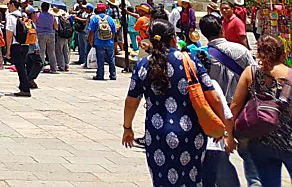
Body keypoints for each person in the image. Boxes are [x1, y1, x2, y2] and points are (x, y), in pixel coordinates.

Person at [123, 19, 224, 187]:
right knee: (192, 178)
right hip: (191, 132)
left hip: (158, 134)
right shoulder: (190, 61)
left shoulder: (144, 64)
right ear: (173, 39)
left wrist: (127, 127)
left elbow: (131, 101)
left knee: (162, 180)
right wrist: (220, 124)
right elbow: (213, 96)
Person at [197, 13, 259, 187]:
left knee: (220, 157)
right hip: (245, 111)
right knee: (251, 158)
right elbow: (256, 77)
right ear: (221, 28)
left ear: (203, 33)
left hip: (218, 114)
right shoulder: (241, 50)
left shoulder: (202, 55)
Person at [230, 35, 292, 187]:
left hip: (260, 141)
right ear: (283, 54)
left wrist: (229, 134)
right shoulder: (290, 74)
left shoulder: (250, 73)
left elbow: (235, 105)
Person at [5, 0, 36, 96]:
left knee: (20, 68)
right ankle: (23, 86)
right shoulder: (24, 15)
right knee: (23, 67)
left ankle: (25, 89)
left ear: (12, 4)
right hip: (25, 44)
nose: (7, 6)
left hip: (16, 44)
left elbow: (9, 34)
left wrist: (8, 50)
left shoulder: (10, 17)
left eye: (8, 4)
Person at [88, 3, 118, 81]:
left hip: (99, 42)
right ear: (105, 10)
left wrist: (90, 41)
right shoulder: (110, 19)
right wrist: (112, 40)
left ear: (97, 10)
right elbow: (114, 31)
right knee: (111, 59)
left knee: (100, 59)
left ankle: (100, 75)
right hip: (109, 42)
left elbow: (91, 31)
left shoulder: (94, 19)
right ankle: (113, 75)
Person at [33, 0, 59, 74]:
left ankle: (40, 68)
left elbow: (34, 22)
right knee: (52, 52)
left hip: (41, 34)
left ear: (41, 7)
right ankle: (54, 69)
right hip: (51, 34)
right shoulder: (52, 16)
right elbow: (56, 25)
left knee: (41, 52)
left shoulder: (38, 15)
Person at [53, 7, 72, 72]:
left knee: (59, 51)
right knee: (65, 51)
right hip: (65, 36)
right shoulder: (64, 18)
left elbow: (56, 27)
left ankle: (61, 66)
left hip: (59, 36)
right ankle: (66, 64)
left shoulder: (55, 18)